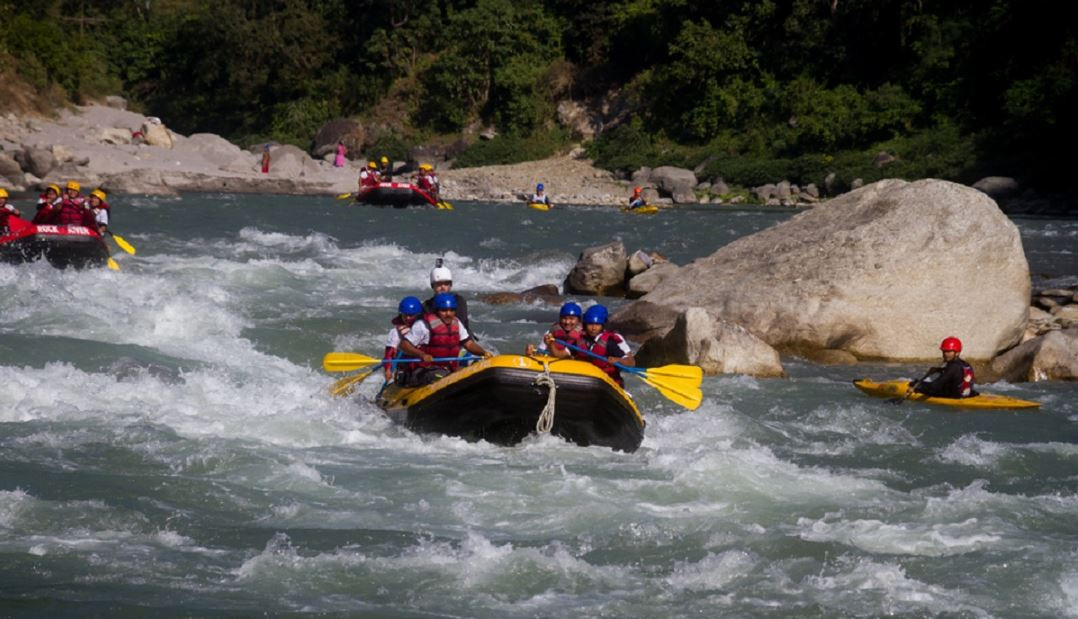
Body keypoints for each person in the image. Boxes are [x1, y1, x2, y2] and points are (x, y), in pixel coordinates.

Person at [399, 292, 490, 385]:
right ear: (436, 310)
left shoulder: (457, 323)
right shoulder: (423, 325)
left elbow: (469, 344)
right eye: (444, 310)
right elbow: (404, 345)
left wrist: (483, 353)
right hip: (425, 370)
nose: (448, 314)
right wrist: (422, 355)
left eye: (451, 310)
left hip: (448, 369)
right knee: (441, 375)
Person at [574, 304, 634, 386]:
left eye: (597, 324)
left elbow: (631, 363)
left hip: (608, 382)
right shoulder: (579, 340)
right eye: (590, 324)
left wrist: (618, 360)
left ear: (603, 325)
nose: (593, 328)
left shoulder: (611, 342)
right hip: (586, 379)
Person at [907, 336, 977, 399]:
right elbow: (957, 374)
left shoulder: (953, 366)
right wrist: (939, 370)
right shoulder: (965, 364)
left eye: (949, 351)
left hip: (953, 396)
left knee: (914, 383)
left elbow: (935, 387)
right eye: (944, 351)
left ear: (957, 353)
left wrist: (917, 388)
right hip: (968, 394)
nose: (945, 354)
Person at [422, 259, 471, 332]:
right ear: (433, 286)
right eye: (438, 284)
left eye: (446, 284)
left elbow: (461, 324)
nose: (442, 287)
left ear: (450, 285)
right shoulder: (427, 306)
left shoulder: (459, 301)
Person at [384, 296, 424, 383]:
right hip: (406, 370)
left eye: (411, 315)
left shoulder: (425, 327)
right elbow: (389, 353)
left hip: (423, 366)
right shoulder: (395, 333)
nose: (408, 318)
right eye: (405, 315)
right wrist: (387, 370)